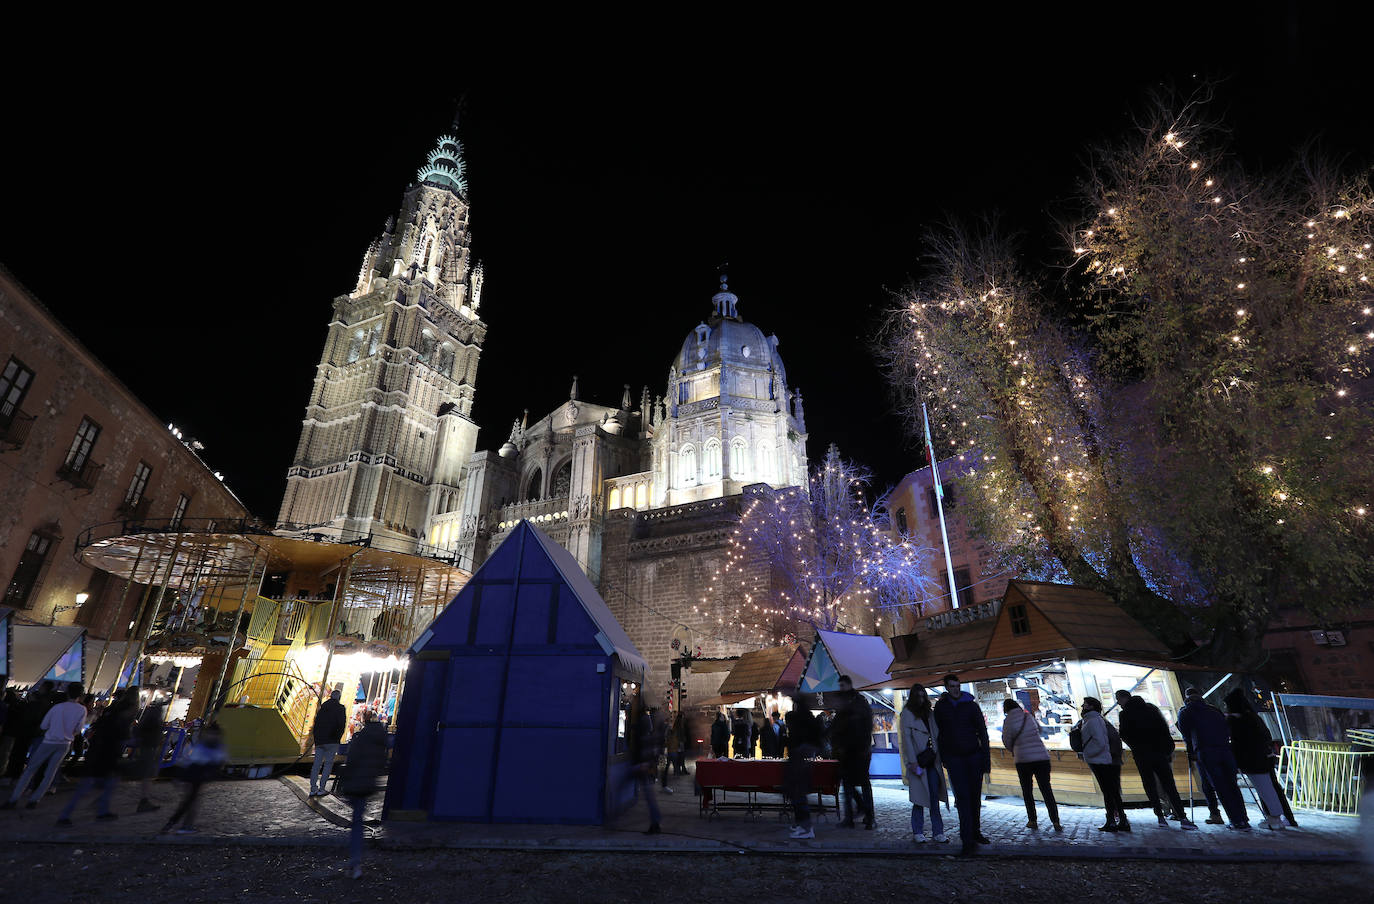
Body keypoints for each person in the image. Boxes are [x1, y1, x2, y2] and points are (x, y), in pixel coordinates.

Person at [1114, 689, 1196, 829]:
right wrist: (1167, 749)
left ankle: (1160, 817)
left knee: (1150, 785)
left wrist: (1135, 747)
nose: (1118, 703)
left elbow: (1124, 734)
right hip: (1159, 753)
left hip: (1142, 755)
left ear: (1123, 699)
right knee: (1169, 784)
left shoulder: (1125, 714)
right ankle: (1182, 817)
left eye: (1118, 699)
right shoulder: (1151, 709)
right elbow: (1164, 729)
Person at [57, 689, 138, 825]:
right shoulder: (121, 721)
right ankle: (68, 814)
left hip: (98, 752)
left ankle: (99, 810)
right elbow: (122, 738)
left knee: (102, 785)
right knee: (93, 786)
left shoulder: (110, 712)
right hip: (106, 755)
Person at [3, 682, 86, 810]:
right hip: (65, 743)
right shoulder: (82, 709)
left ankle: (14, 798)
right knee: (50, 772)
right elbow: (78, 729)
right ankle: (35, 799)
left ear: (67, 693)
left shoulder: (58, 708)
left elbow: (44, 725)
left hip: (49, 741)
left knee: (31, 769)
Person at [1177, 687, 1250, 830]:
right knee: (1232, 785)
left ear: (1187, 699)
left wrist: (1191, 752)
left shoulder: (1185, 712)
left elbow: (1186, 736)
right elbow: (1226, 728)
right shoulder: (1214, 710)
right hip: (1225, 750)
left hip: (1206, 751)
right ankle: (1242, 818)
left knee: (1219, 786)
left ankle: (1234, 820)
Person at [933, 674, 991, 855]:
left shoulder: (971, 706)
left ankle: (975, 832)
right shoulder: (941, 708)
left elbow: (982, 732)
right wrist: (944, 758)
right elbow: (939, 734)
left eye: (958, 685)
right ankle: (967, 838)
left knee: (974, 798)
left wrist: (985, 760)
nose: (956, 689)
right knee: (963, 798)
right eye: (952, 686)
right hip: (955, 758)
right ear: (947, 688)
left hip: (973, 756)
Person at [1223, 689, 1287, 830]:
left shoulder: (1236, 720)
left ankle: (1275, 818)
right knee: (1267, 788)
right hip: (1262, 756)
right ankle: (1274, 817)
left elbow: (1236, 741)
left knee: (1264, 789)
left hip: (1251, 759)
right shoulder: (1252, 717)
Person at [339, 709, 388, 879]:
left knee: (356, 822)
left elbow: (351, 760)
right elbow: (381, 764)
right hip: (368, 783)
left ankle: (354, 861)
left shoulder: (361, 739)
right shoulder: (380, 742)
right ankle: (356, 861)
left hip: (355, 782)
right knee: (358, 819)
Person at [1002, 698, 1061, 831]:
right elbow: (1039, 730)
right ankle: (1056, 821)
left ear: (1006, 710)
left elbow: (1006, 741)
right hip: (1041, 757)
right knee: (1046, 790)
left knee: (1027, 791)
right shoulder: (1028, 716)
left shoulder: (1008, 721)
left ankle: (1032, 820)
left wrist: (1015, 749)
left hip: (1023, 760)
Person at [900, 685, 949, 843]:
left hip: (931, 759)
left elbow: (936, 734)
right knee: (919, 799)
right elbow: (906, 740)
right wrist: (912, 762)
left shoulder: (929, 714)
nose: (921, 700)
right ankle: (918, 830)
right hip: (918, 761)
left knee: (934, 796)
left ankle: (938, 831)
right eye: (918, 697)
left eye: (923, 696)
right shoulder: (907, 714)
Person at [162, 721, 226, 834]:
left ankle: (180, 824)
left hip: (194, 773)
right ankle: (181, 825)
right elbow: (215, 761)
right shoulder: (213, 745)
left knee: (190, 801)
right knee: (191, 801)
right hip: (196, 774)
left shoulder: (205, 743)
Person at [1078, 696, 1129, 832]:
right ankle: (1120, 820)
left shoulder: (1093, 721)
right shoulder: (1095, 720)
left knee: (1108, 791)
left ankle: (1112, 821)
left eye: (1085, 704)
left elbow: (1100, 741)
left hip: (1102, 761)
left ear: (1091, 706)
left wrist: (1088, 753)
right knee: (1112, 791)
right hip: (1106, 759)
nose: (1082, 706)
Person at [834, 675, 875, 829]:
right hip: (847, 750)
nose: (841, 689)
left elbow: (865, 727)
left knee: (862, 783)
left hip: (860, 750)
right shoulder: (845, 703)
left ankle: (869, 817)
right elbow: (838, 726)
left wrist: (863, 746)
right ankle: (851, 817)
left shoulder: (859, 703)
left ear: (849, 685)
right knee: (848, 784)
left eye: (843, 685)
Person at [784, 692, 821, 839]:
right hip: (798, 756)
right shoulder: (804, 715)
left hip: (800, 757)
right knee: (796, 794)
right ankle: (801, 825)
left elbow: (805, 736)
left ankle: (806, 828)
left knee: (799, 793)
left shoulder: (803, 717)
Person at [132, 690, 167, 813]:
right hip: (149, 748)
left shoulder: (148, 718)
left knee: (147, 775)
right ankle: (144, 800)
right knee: (147, 775)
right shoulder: (155, 720)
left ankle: (144, 799)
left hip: (147, 747)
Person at [309, 689, 347, 797]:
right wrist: (337, 737)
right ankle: (322, 788)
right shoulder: (340, 709)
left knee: (316, 764)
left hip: (320, 740)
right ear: (339, 697)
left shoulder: (323, 708)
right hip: (332, 740)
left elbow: (316, 723)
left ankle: (313, 788)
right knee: (328, 765)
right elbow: (341, 725)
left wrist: (316, 738)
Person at [632, 703, 663, 834]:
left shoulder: (645, 732)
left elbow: (648, 750)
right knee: (649, 796)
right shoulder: (651, 730)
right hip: (645, 766)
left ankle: (655, 822)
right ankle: (655, 822)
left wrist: (645, 763)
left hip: (643, 767)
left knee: (649, 797)